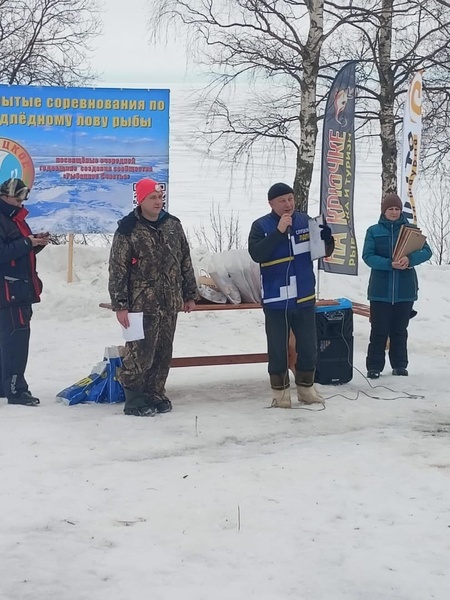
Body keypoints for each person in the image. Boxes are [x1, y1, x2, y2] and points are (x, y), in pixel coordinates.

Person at [108, 178, 197, 417]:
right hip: (140, 304)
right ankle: (135, 395)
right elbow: (118, 269)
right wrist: (120, 305)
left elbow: (185, 260)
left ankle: (155, 392)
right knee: (140, 351)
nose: (158, 202)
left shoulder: (172, 225)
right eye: (153, 198)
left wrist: (189, 293)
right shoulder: (127, 229)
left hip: (169, 302)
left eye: (160, 197)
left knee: (163, 350)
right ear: (141, 200)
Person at [248, 182, 335, 408]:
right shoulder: (261, 226)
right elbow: (257, 254)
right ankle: (280, 394)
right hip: (277, 300)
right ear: (271, 204)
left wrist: (328, 239)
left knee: (308, 346)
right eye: (282, 201)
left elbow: (321, 252)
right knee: (277, 348)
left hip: (304, 296)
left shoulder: (306, 221)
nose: (288, 204)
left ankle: (306, 389)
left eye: (290, 199)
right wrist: (278, 232)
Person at [362, 193, 432, 379]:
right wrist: (388, 264)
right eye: (390, 209)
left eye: (397, 209)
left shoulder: (411, 230)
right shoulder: (373, 231)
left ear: (401, 211)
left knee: (399, 331)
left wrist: (410, 259)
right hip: (380, 291)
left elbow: (427, 251)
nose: (394, 212)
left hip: (405, 290)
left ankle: (400, 365)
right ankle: (374, 366)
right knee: (379, 330)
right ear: (384, 211)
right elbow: (368, 256)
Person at [0, 178, 50, 406]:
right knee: (15, 342)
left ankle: (5, 386)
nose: (22, 202)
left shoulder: (14, 219)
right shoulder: (4, 219)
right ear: (6, 196)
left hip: (17, 290)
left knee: (10, 341)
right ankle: (16, 389)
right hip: (9, 292)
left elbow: (16, 254)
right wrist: (27, 244)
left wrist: (35, 244)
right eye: (19, 197)